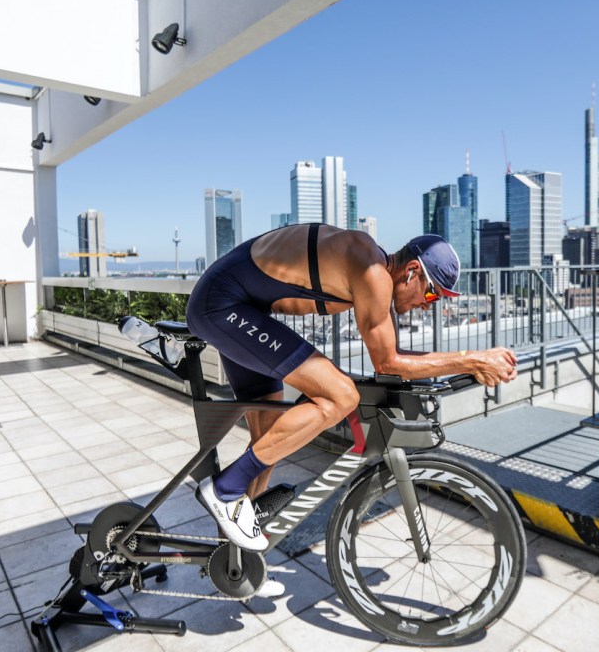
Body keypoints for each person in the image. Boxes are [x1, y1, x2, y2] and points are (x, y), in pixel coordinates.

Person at [185, 224, 518, 560]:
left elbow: (394, 358)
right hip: (222, 306)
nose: (428, 306)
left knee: (272, 435)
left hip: (240, 308)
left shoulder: (376, 270)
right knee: (342, 395)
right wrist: (472, 359)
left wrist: (469, 363)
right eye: (432, 294)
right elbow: (388, 363)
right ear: (412, 272)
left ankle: (233, 561)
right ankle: (224, 490)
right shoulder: (372, 272)